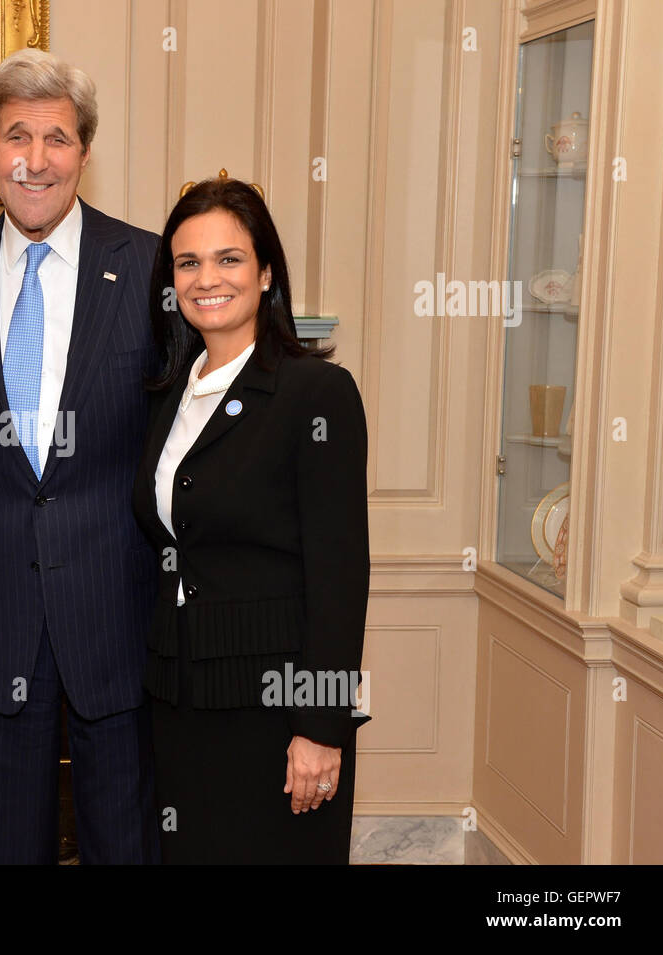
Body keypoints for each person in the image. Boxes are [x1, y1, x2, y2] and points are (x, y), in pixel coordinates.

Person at [0, 50, 160, 865]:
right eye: (18, 135)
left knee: (124, 843)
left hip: (118, 614)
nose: (37, 158)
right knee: (7, 846)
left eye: (57, 137)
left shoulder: (155, 271)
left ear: (85, 150)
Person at [131, 178, 371, 864]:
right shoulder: (169, 393)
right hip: (180, 702)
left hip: (278, 714)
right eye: (188, 262)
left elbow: (340, 570)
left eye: (229, 259)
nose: (208, 278)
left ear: (266, 272)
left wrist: (321, 727)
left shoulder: (315, 392)